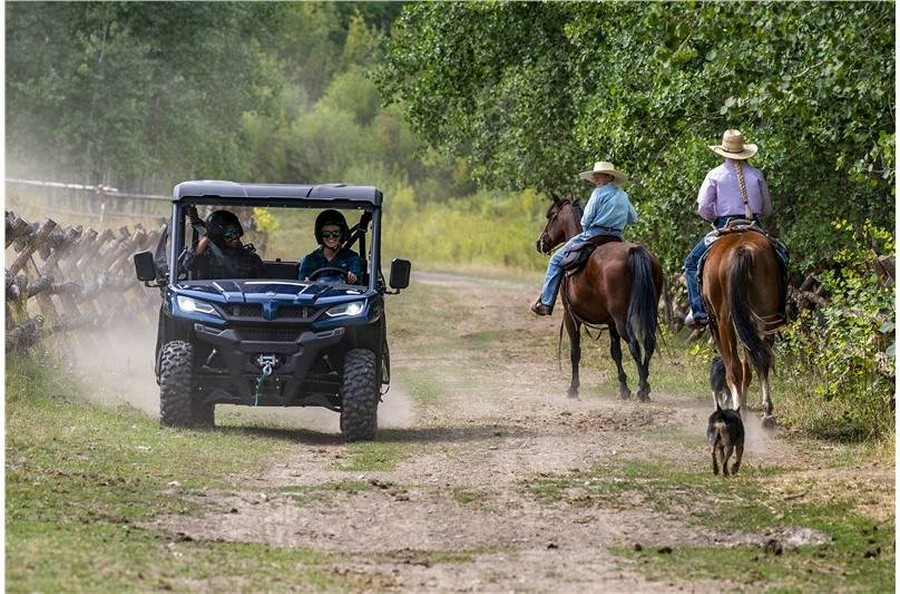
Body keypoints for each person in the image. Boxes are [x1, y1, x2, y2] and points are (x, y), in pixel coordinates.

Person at [683, 129, 773, 327]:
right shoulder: (757, 175)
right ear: (744, 152)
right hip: (753, 225)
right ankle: (778, 308)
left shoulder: (714, 175)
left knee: (690, 263)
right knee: (781, 255)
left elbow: (704, 208)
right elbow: (767, 209)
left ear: (723, 151)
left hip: (725, 226)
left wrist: (714, 217)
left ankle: (699, 312)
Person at [532, 161, 638, 316]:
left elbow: (585, 220)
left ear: (609, 176)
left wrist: (591, 226)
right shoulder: (623, 195)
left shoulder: (598, 193)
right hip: (616, 237)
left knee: (555, 260)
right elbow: (633, 218)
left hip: (594, 234)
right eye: (594, 176)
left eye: (598, 175)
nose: (595, 178)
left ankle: (547, 303)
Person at [184, 209, 264, 279]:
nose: (235, 238)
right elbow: (189, 264)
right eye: (228, 235)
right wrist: (208, 236)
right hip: (211, 296)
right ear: (218, 238)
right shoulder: (208, 256)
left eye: (236, 232)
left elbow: (261, 287)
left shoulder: (251, 259)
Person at [298, 209, 365, 284]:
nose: (331, 237)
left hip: (343, 295)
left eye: (335, 233)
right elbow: (302, 283)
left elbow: (357, 279)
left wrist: (353, 279)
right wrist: (307, 282)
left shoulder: (352, 258)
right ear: (320, 235)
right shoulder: (310, 259)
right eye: (326, 233)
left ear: (342, 234)